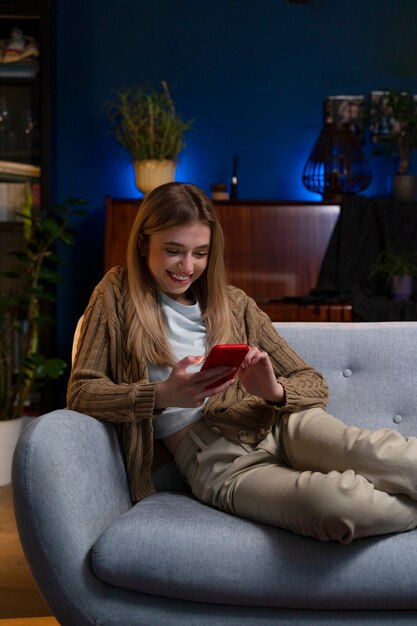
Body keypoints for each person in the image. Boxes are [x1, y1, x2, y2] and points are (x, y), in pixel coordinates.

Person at [68, 182, 417, 545]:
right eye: (174, 251)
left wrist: (275, 391)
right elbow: (82, 391)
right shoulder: (114, 295)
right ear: (143, 243)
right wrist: (161, 395)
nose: (187, 266)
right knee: (339, 506)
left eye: (200, 253)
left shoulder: (234, 304)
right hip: (214, 459)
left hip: (283, 423)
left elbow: (311, 381)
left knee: (390, 457)